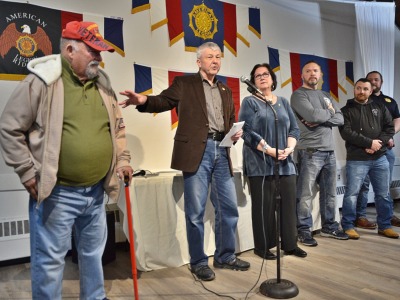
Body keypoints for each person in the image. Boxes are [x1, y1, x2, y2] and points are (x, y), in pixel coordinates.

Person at [0, 21, 133, 299]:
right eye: (93, 51)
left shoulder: (103, 83)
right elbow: (10, 127)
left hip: (96, 192)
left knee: (93, 256)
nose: (99, 58)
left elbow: (117, 129)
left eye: (100, 52)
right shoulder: (42, 81)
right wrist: (26, 171)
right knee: (49, 263)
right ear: (70, 50)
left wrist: (122, 161)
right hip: (57, 193)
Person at [119, 42, 250, 281]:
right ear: (199, 62)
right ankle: (199, 261)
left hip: (222, 151)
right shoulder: (184, 84)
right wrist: (142, 100)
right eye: (209, 57)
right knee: (195, 212)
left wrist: (234, 132)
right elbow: (162, 101)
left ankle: (225, 256)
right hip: (196, 152)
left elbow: (229, 119)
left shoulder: (225, 90)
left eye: (218, 56)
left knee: (228, 208)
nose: (215, 60)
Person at [239, 63, 307, 259]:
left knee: (288, 206)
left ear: (272, 78)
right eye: (257, 75)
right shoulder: (250, 102)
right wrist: (269, 150)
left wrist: (289, 148)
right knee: (264, 208)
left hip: (285, 162)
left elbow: (294, 129)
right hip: (260, 163)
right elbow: (246, 132)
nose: (262, 77)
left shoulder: (283, 102)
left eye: (265, 74)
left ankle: (290, 245)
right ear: (253, 82)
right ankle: (263, 247)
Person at [290, 60, 348, 247]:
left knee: (330, 193)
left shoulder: (325, 95)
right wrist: (327, 114)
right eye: (308, 71)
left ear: (321, 74)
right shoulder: (298, 95)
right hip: (310, 152)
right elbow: (312, 116)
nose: (312, 74)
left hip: (329, 151)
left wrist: (322, 116)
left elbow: (340, 118)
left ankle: (329, 226)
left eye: (315, 70)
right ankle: (304, 230)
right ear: (302, 75)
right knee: (305, 194)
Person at [339, 78, 398, 239]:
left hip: (380, 158)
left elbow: (389, 128)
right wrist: (369, 143)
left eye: (365, 89)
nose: (361, 91)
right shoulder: (346, 110)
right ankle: (348, 226)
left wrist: (378, 144)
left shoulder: (380, 107)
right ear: (354, 90)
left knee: (383, 194)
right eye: (358, 88)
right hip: (357, 159)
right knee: (352, 194)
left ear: (370, 91)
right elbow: (346, 133)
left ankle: (385, 225)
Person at [355, 71, 400, 230]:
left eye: (376, 79)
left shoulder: (390, 101)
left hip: (386, 149)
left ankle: (387, 215)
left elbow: (397, 121)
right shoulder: (361, 101)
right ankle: (360, 216)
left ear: (381, 81)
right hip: (366, 149)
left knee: (384, 186)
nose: (373, 82)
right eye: (370, 80)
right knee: (364, 184)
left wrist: (388, 136)